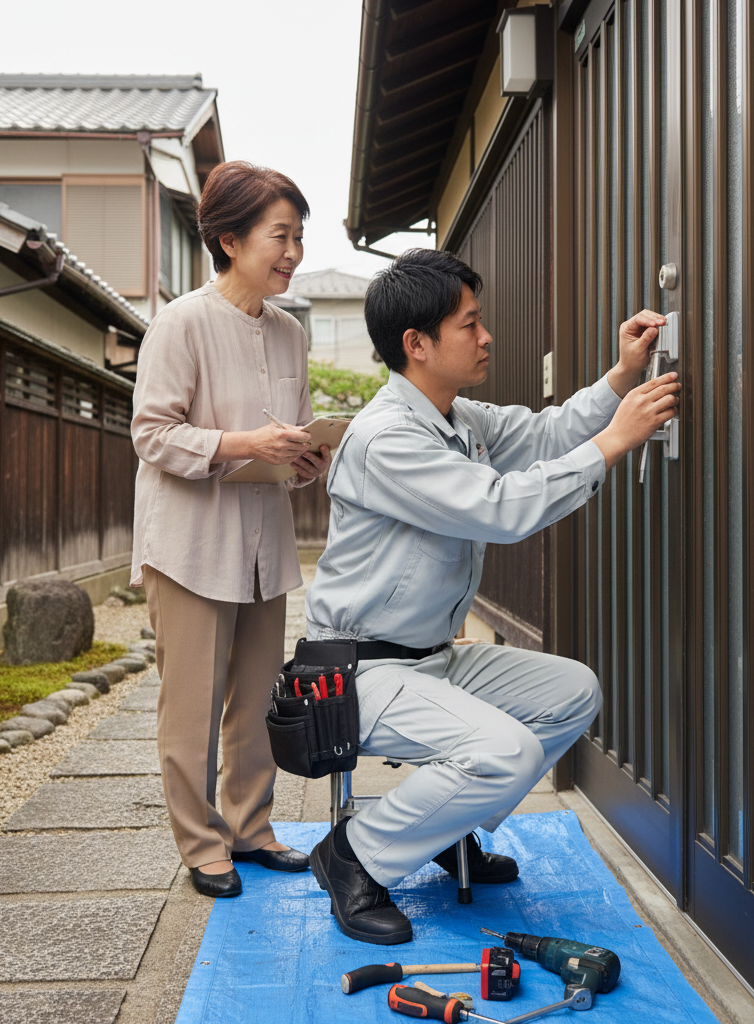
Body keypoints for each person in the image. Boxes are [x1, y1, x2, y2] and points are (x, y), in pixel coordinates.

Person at [304, 248, 680, 944]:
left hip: (431, 659)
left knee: (572, 691)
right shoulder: (388, 439)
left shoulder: (457, 416)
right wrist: (614, 443)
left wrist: (621, 377)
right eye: (469, 324)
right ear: (417, 344)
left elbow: (545, 432)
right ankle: (353, 854)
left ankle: (443, 830)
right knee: (504, 751)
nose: (486, 337)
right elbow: (500, 509)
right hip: (360, 670)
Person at [131, 162, 331, 899]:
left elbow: (286, 444)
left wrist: (305, 459)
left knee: (256, 699)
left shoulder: (290, 332)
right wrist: (246, 443)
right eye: (280, 236)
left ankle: (250, 827)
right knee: (190, 707)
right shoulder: (180, 323)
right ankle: (201, 843)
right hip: (189, 546)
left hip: (262, 544)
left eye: (298, 237)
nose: (293, 253)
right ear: (229, 240)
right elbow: (151, 433)